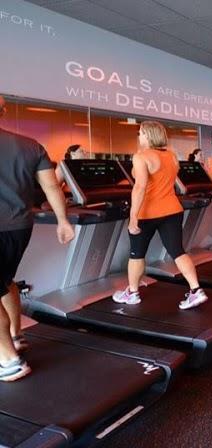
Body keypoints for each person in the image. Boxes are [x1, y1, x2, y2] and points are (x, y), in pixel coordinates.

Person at [0, 95, 75, 381]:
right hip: (20, 227)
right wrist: (63, 221)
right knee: (5, 281)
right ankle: (15, 335)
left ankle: (9, 361)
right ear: (4, 111)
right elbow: (52, 187)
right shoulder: (31, 145)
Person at [112, 121, 208, 310]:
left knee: (137, 254)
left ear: (148, 135)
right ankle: (196, 290)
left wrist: (133, 217)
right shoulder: (171, 156)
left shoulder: (141, 157)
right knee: (178, 251)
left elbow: (139, 187)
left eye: (140, 133)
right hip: (172, 210)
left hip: (147, 212)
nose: (139, 136)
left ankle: (133, 293)